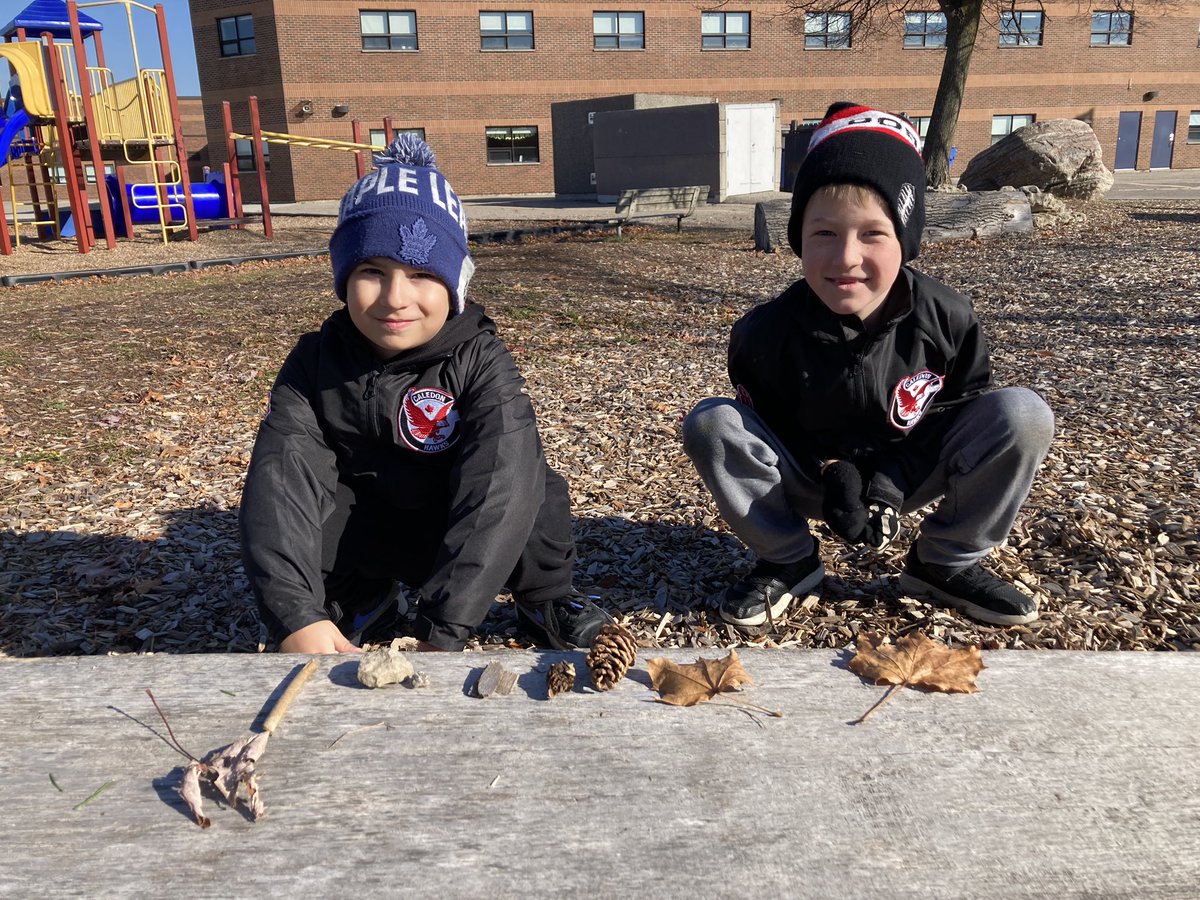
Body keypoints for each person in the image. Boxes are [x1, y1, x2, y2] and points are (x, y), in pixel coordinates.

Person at [682, 102, 1054, 630]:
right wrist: (832, 473)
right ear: (798, 238)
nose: (846, 258)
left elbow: (959, 409)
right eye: (824, 234)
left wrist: (888, 482)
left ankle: (943, 562)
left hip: (911, 474)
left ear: (906, 238)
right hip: (813, 482)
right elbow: (769, 427)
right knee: (711, 422)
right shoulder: (762, 333)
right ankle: (789, 560)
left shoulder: (948, 316)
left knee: (1023, 413)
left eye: (872, 234)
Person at [240, 135, 610, 654]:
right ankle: (363, 595)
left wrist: (444, 630)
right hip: (376, 527)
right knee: (309, 496)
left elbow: (498, 487)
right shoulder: (314, 362)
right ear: (343, 277)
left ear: (454, 284)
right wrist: (294, 616)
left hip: (459, 519)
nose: (396, 298)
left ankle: (543, 597)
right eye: (372, 271)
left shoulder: (480, 358)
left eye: (420, 274)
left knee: (530, 481)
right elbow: (281, 481)